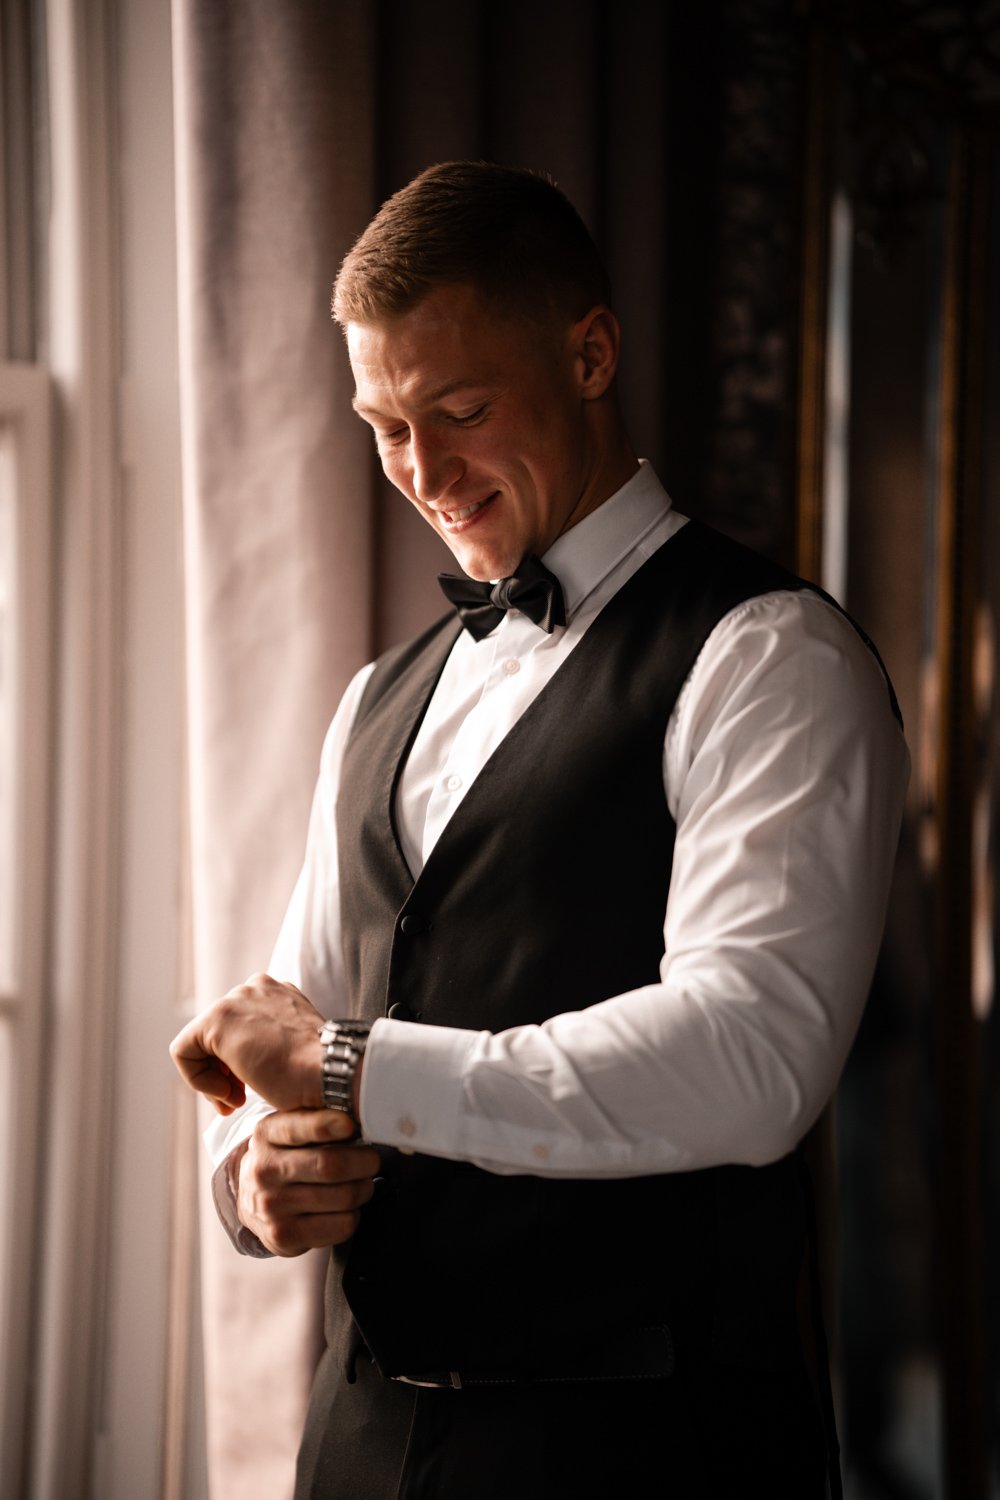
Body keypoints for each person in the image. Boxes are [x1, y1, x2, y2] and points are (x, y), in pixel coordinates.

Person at [171, 161, 909, 1499]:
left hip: (647, 1452)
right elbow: (310, 1020)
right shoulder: (373, 699)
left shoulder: (769, 656)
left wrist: (340, 1068)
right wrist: (250, 1179)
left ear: (589, 351)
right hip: (361, 1443)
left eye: (458, 411)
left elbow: (753, 1054)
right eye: (385, 427)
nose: (424, 474)